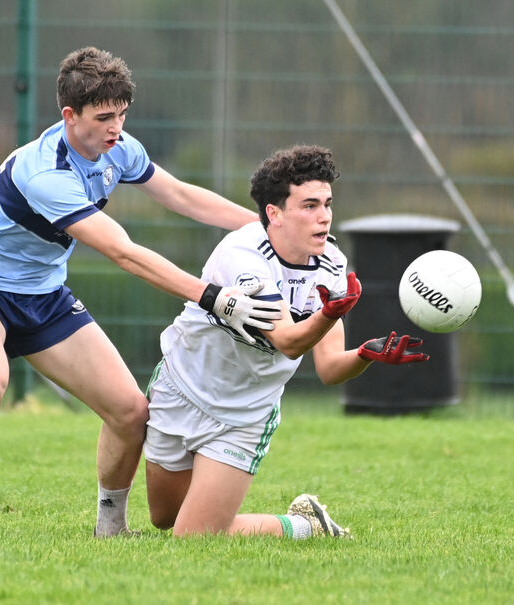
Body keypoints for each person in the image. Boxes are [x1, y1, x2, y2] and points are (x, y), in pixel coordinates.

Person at [0, 47, 281, 539]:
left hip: (44, 295)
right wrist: (214, 297)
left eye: (121, 114)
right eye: (104, 117)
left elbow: (179, 195)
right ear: (69, 116)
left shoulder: (119, 148)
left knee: (131, 411)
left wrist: (268, 226)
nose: (116, 128)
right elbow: (124, 252)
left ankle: (110, 528)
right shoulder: (45, 173)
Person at [143, 144, 429, 538]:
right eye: (309, 205)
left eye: (327, 204)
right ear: (273, 214)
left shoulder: (331, 266)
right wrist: (328, 314)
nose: (324, 217)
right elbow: (287, 342)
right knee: (165, 519)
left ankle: (305, 526)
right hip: (182, 388)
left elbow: (329, 369)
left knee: (194, 536)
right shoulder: (243, 253)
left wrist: (365, 355)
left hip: (244, 415)